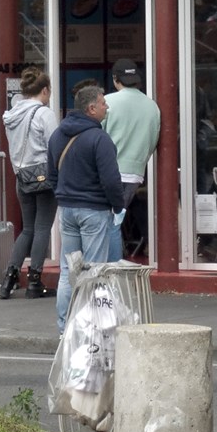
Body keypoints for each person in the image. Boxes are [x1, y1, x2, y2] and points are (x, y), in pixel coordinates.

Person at [48, 79, 125, 322]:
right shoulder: (99, 139)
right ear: (91, 109)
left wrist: (63, 194)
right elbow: (111, 180)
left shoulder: (58, 135)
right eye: (103, 103)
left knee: (67, 271)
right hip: (94, 210)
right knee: (93, 271)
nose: (107, 108)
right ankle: (89, 327)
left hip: (67, 209)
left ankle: (65, 328)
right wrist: (118, 205)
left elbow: (51, 174)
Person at [0, 65, 58, 300]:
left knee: (28, 229)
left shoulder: (11, 115)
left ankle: (9, 278)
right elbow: (54, 145)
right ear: (44, 90)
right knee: (43, 228)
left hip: (21, 176)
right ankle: (35, 280)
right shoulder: (44, 113)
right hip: (43, 176)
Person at [102, 58, 161, 265]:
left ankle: (110, 271)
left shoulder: (106, 102)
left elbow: (96, 138)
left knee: (107, 224)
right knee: (115, 221)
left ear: (115, 79)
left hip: (108, 172)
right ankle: (114, 270)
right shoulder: (152, 106)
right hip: (135, 172)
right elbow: (153, 141)